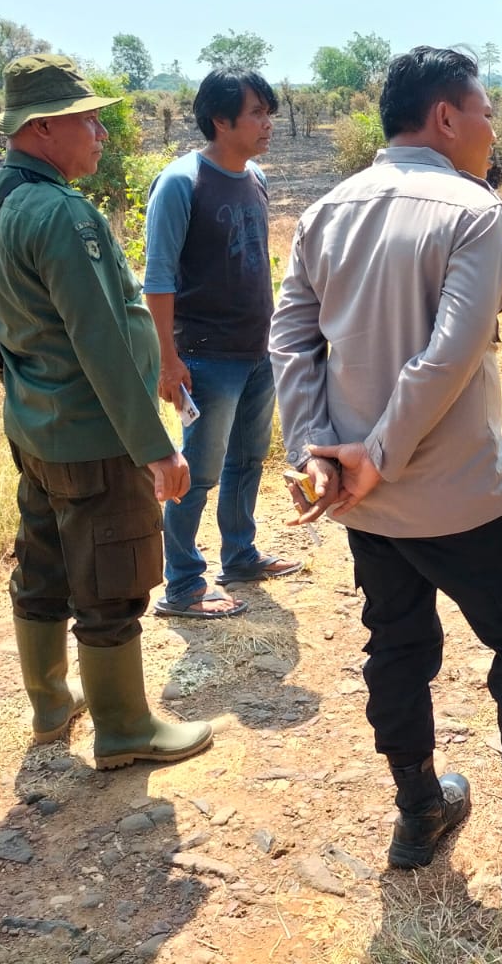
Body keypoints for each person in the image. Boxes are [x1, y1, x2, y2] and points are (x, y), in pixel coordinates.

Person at [270, 47, 502, 904]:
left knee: (397, 642)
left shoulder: (326, 210)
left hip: (362, 498)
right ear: (446, 118)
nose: (492, 128)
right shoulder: (472, 210)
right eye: (486, 111)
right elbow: (450, 356)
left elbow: (291, 341)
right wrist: (378, 454)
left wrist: (321, 452)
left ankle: (419, 811)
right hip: (457, 491)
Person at [0, 54, 211, 770]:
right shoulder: (62, 214)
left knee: (42, 565)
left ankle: (49, 702)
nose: (101, 132)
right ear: (40, 130)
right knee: (111, 578)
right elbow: (99, 338)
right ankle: (125, 727)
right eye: (87, 120)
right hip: (94, 436)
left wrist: (28, 395)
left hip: (36, 426)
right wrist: (155, 447)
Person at [143, 68, 301, 620]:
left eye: (268, 112)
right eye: (256, 113)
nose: (267, 123)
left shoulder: (254, 176)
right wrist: (168, 360)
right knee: (197, 472)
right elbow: (158, 279)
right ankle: (183, 585)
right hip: (206, 356)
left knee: (248, 461)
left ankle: (240, 555)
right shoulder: (181, 183)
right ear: (220, 120)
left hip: (258, 350)